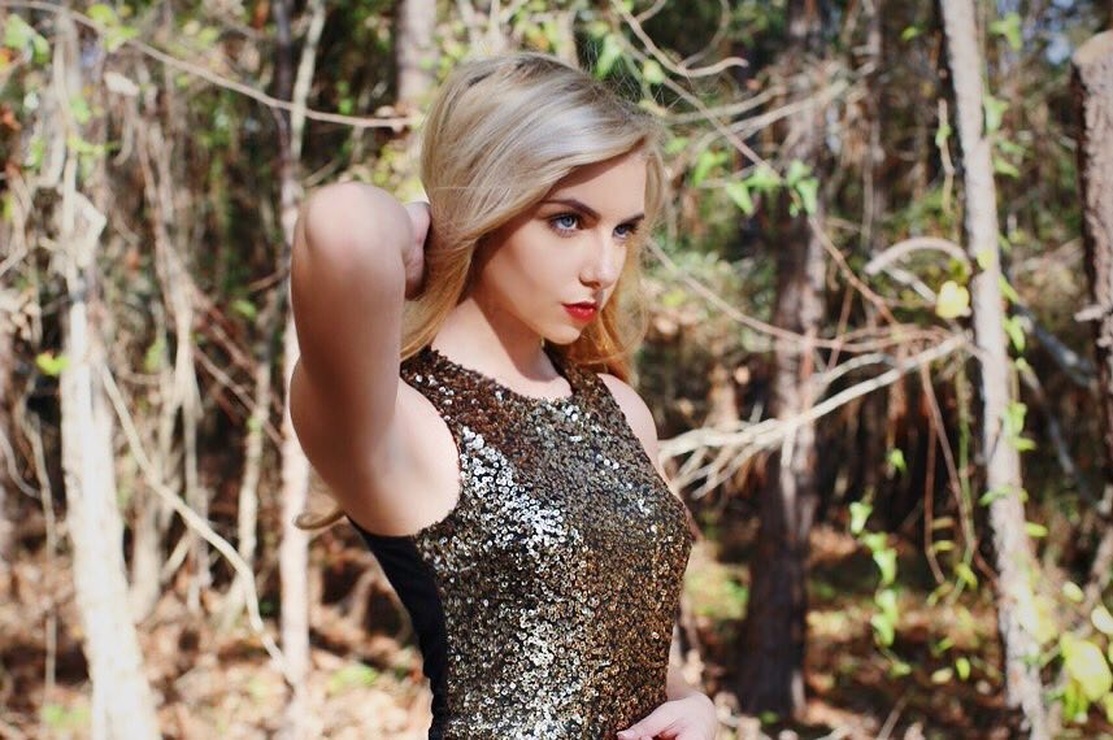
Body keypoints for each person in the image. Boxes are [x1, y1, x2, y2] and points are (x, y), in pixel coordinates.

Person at [289, 52, 717, 739]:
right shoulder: (403, 423)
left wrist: (693, 704)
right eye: (568, 220)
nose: (604, 268)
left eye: (623, 230)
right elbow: (341, 227)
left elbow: (617, 644)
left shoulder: (618, 408)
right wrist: (429, 230)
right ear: (488, 203)